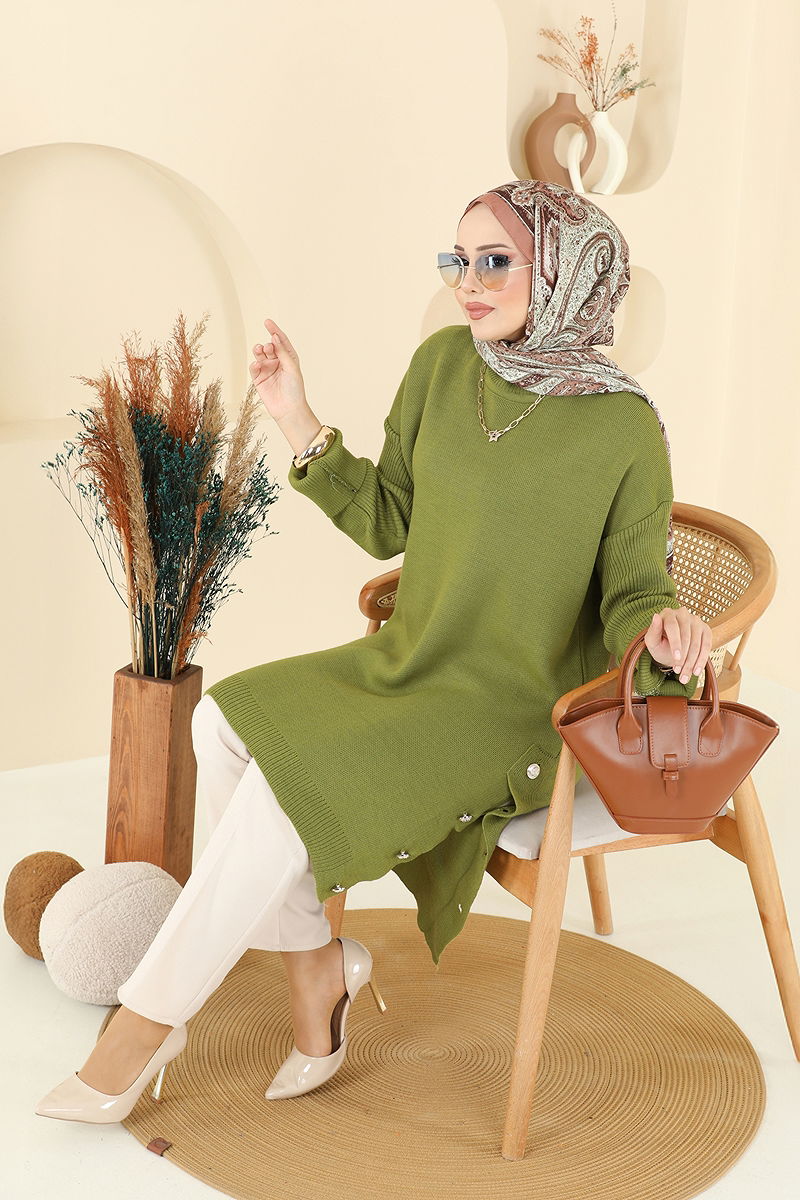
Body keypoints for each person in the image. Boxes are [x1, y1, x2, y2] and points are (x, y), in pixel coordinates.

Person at [35, 178, 712, 1125]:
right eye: (457, 260)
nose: (467, 282)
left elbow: (635, 589)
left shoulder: (623, 426)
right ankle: (317, 969)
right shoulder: (443, 363)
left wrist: (665, 627)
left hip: (509, 709)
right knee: (223, 719)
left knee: (282, 791)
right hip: (410, 661)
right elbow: (389, 517)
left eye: (495, 261)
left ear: (566, 269)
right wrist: (295, 413)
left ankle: (144, 1026)